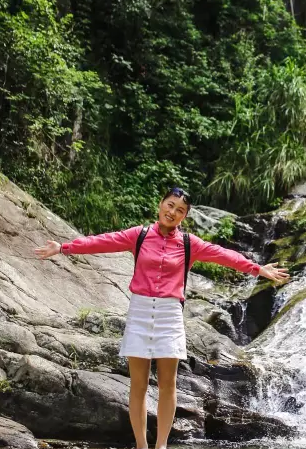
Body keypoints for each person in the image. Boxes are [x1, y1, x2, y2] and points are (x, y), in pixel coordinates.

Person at [34, 187, 289, 449]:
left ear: (184, 217)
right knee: (139, 385)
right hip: (140, 311)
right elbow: (103, 241)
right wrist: (64, 247)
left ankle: (162, 445)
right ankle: (142, 445)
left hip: (170, 315)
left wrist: (257, 268)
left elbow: (223, 254)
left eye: (180, 210)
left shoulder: (190, 243)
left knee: (168, 385)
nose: (172, 212)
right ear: (160, 204)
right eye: (170, 205)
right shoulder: (140, 235)